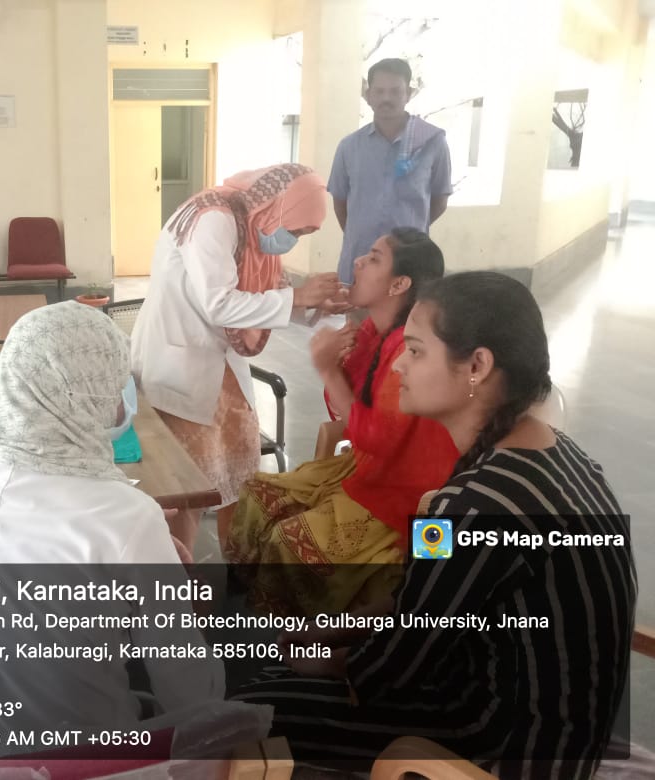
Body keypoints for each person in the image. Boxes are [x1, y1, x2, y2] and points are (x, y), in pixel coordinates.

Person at [232, 272, 636, 776]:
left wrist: (307, 659)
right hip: (542, 715)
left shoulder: (474, 504)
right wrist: (333, 627)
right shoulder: (555, 454)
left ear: (477, 366)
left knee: (250, 709)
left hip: (505, 743)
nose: (399, 363)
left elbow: (389, 669)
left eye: (417, 351)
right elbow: (417, 597)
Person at [0, 301, 223, 739]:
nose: (122, 398)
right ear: (89, 395)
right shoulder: (128, 516)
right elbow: (189, 692)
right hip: (78, 752)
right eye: (114, 384)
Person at [225, 228, 458, 615]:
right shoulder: (372, 329)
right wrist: (337, 362)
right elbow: (343, 412)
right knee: (257, 494)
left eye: (374, 258)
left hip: (402, 490)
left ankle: (299, 633)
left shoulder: (406, 347)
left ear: (398, 284)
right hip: (366, 465)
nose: (358, 262)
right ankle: (245, 599)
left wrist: (328, 369)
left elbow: (373, 437)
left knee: (290, 540)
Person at [131, 163, 344, 550]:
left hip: (219, 364)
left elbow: (260, 296)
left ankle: (235, 558)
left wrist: (313, 306)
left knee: (237, 465)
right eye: (295, 230)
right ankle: (177, 568)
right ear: (278, 207)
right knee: (189, 480)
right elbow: (221, 305)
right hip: (181, 359)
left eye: (301, 234)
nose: (292, 241)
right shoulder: (214, 219)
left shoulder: (251, 222)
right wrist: (299, 297)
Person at [329, 58, 453, 284]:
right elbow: (340, 203)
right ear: (368, 96)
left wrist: (409, 235)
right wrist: (359, 234)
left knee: (409, 307)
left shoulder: (432, 143)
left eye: (395, 91)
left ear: (409, 94)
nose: (386, 98)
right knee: (355, 308)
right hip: (359, 258)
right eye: (379, 91)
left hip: (409, 262)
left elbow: (439, 200)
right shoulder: (349, 147)